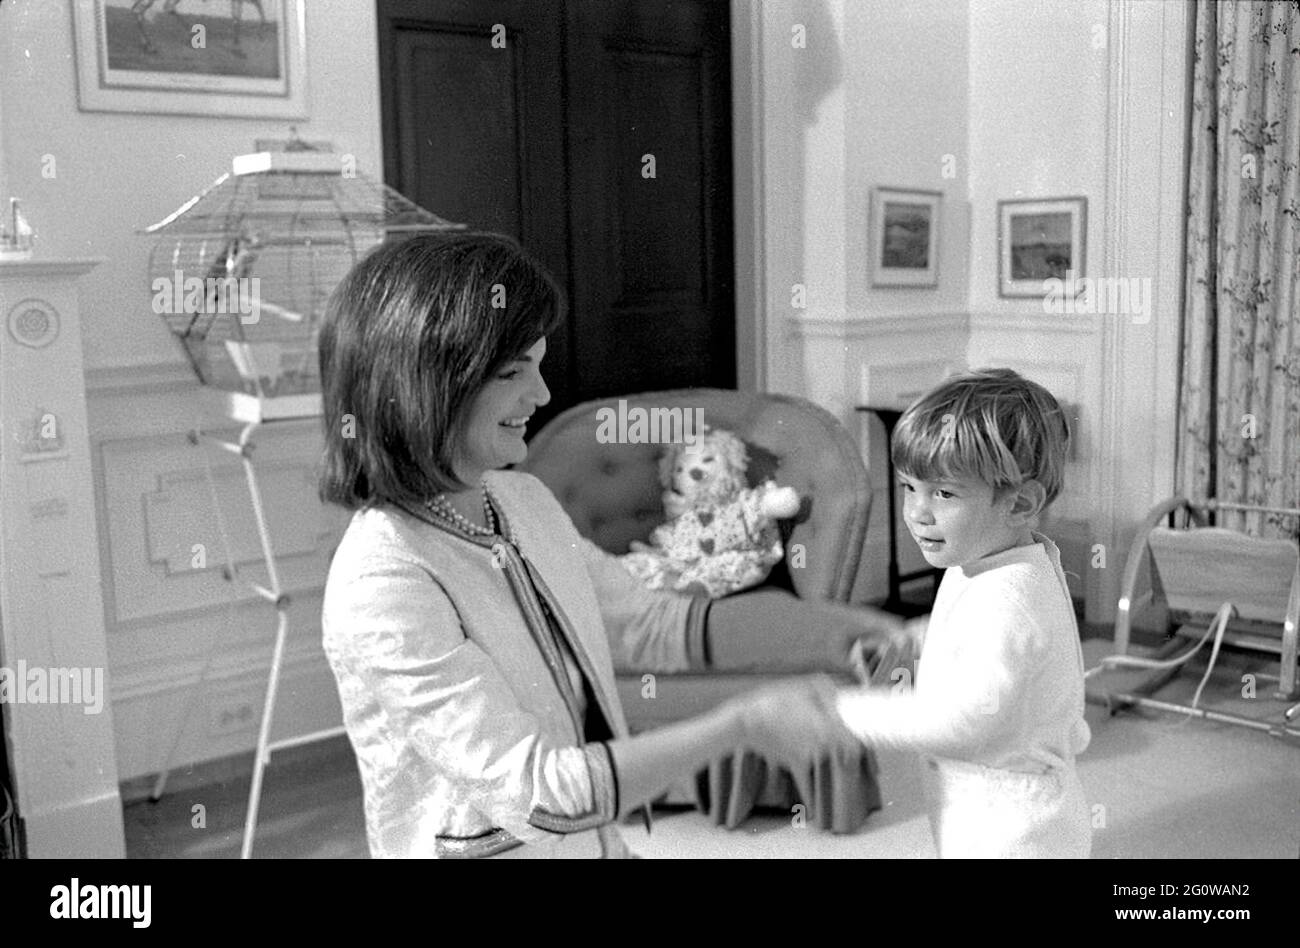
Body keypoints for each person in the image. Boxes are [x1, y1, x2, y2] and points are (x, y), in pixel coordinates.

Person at [317, 232, 895, 858]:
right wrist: (741, 726)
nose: (540, 395)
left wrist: (844, 632)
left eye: (539, 363)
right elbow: (538, 796)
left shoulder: (521, 502)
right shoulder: (384, 582)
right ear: (426, 384)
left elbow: (651, 624)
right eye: (513, 372)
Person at [834, 368, 1092, 858]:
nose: (917, 511)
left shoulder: (1009, 599)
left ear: (1019, 503)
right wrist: (921, 636)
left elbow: (963, 722)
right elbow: (976, 627)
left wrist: (842, 713)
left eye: (944, 493)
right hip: (986, 809)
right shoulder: (992, 559)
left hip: (1012, 830)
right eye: (910, 487)